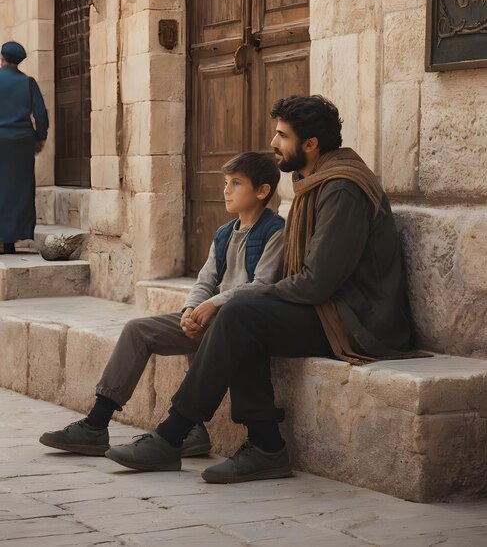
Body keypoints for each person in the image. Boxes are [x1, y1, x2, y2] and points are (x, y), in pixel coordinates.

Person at [68, 94, 414, 484]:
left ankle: (174, 434)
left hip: (358, 323)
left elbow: (316, 282)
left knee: (241, 313)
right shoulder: (317, 182)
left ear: (311, 144)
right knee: (244, 316)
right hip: (332, 311)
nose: (273, 142)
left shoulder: (341, 189)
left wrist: (234, 301)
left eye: (282, 135)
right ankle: (264, 445)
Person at [40, 151, 285, 462]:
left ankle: (192, 427)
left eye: (236, 183)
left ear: (262, 191)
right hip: (207, 315)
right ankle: (95, 424)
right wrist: (189, 311)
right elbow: (205, 280)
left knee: (209, 332)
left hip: (236, 322)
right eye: (225, 183)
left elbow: (263, 285)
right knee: (137, 330)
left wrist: (213, 304)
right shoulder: (225, 233)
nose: (226, 190)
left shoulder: (274, 230)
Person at [0, 41, 49, 255]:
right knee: (19, 189)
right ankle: (10, 240)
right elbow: (41, 115)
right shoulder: (29, 83)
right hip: (21, 143)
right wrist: (40, 138)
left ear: (2, 58)